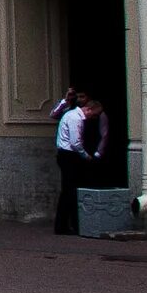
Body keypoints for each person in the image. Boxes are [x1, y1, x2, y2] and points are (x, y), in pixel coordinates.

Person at [52, 87, 91, 235]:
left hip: (71, 153)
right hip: (70, 154)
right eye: (77, 96)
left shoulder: (78, 114)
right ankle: (66, 224)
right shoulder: (71, 113)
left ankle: (73, 223)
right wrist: (65, 100)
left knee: (71, 190)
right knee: (69, 190)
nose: (79, 99)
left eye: (82, 96)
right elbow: (53, 114)